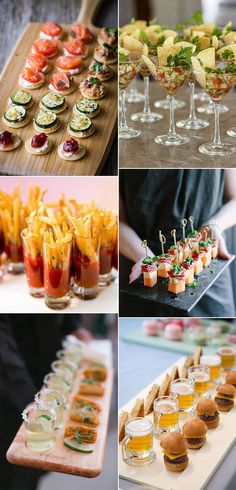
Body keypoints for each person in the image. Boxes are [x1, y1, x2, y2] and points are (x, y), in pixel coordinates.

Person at [119, 169, 236, 316]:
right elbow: (117, 218)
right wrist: (145, 257)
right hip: (139, 264)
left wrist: (215, 225)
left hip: (208, 266)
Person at [0, 314, 91, 490]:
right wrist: (29, 400)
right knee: (12, 472)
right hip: (10, 383)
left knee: (35, 467)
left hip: (46, 367)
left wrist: (72, 324)